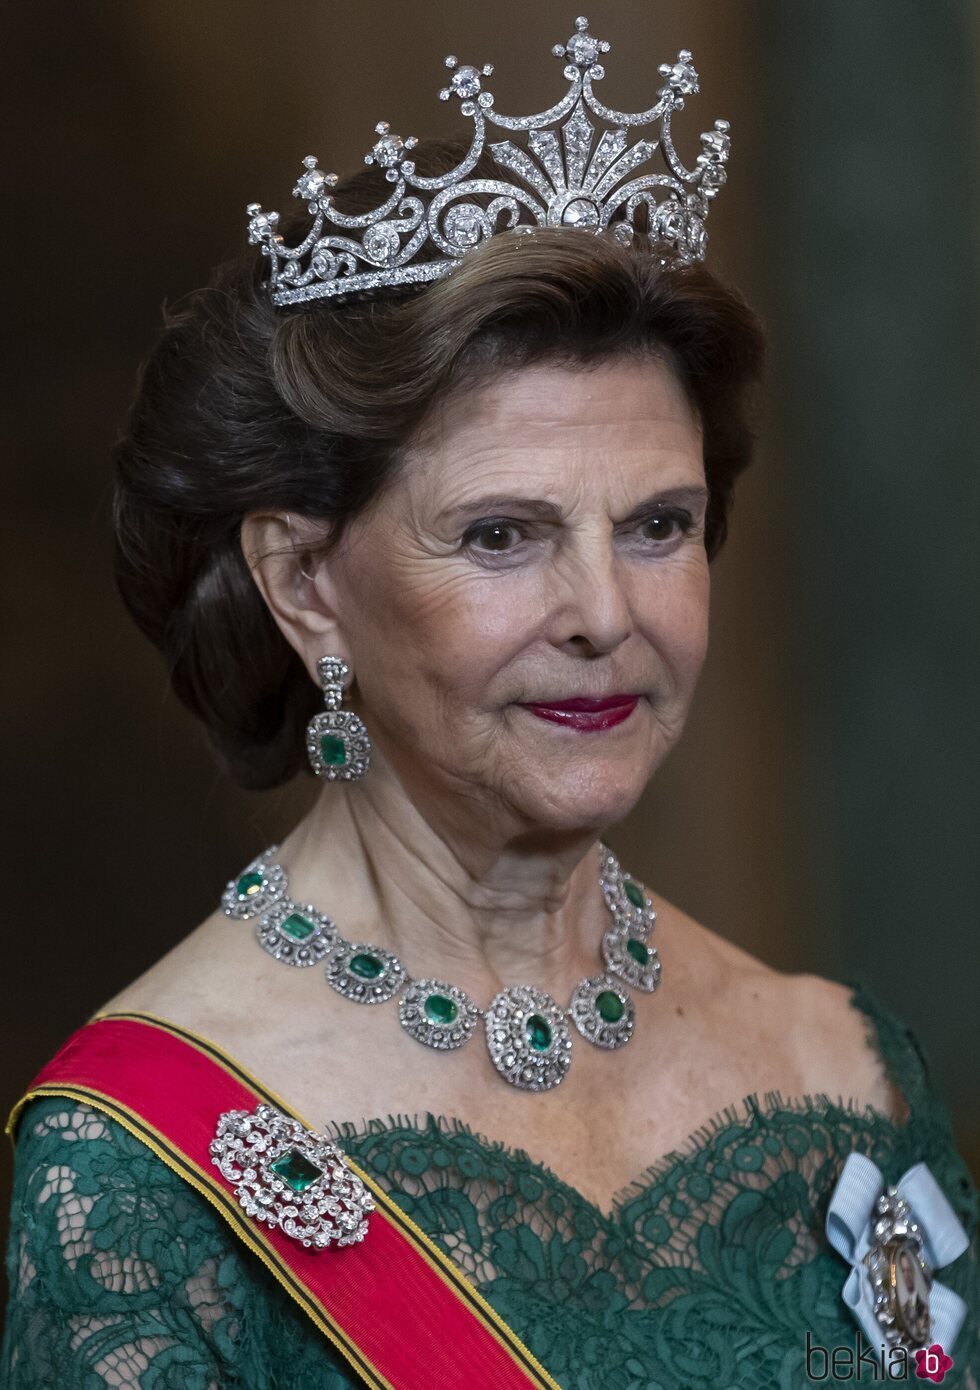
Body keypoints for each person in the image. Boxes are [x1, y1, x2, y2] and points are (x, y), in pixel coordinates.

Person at [3, 19, 976, 1390]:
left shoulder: (844, 1072)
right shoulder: (144, 1168)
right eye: (503, 535)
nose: (605, 612)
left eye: (658, 524)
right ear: (305, 580)